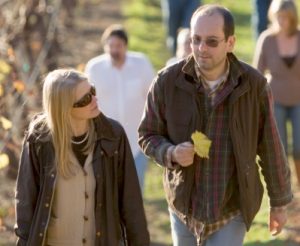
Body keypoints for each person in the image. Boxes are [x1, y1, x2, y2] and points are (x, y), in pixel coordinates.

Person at [138, 4, 293, 246]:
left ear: (230, 42)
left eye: (211, 41)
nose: (201, 48)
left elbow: (270, 146)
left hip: (231, 207)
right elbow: (147, 133)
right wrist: (170, 152)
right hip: (184, 206)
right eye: (195, 40)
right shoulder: (166, 82)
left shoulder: (253, 86)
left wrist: (279, 202)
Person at [14, 69, 149, 245]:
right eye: (85, 99)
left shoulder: (113, 135)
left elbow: (131, 202)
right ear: (63, 108)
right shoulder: (39, 139)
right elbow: (26, 199)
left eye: (92, 91)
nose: (94, 100)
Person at [85, 24, 155, 192]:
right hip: (105, 141)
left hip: (137, 139)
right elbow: (86, 101)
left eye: (118, 46)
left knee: (135, 190)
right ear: (105, 47)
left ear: (126, 46)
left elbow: (153, 96)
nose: (115, 50)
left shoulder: (141, 64)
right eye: (111, 46)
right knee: (109, 190)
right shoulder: (95, 68)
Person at [253, 0, 300, 186]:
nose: (281, 21)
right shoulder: (267, 39)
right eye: (278, 17)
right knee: (279, 149)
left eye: (285, 18)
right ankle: (284, 187)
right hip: (275, 100)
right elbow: (256, 72)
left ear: (292, 18)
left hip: (298, 100)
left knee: (298, 148)